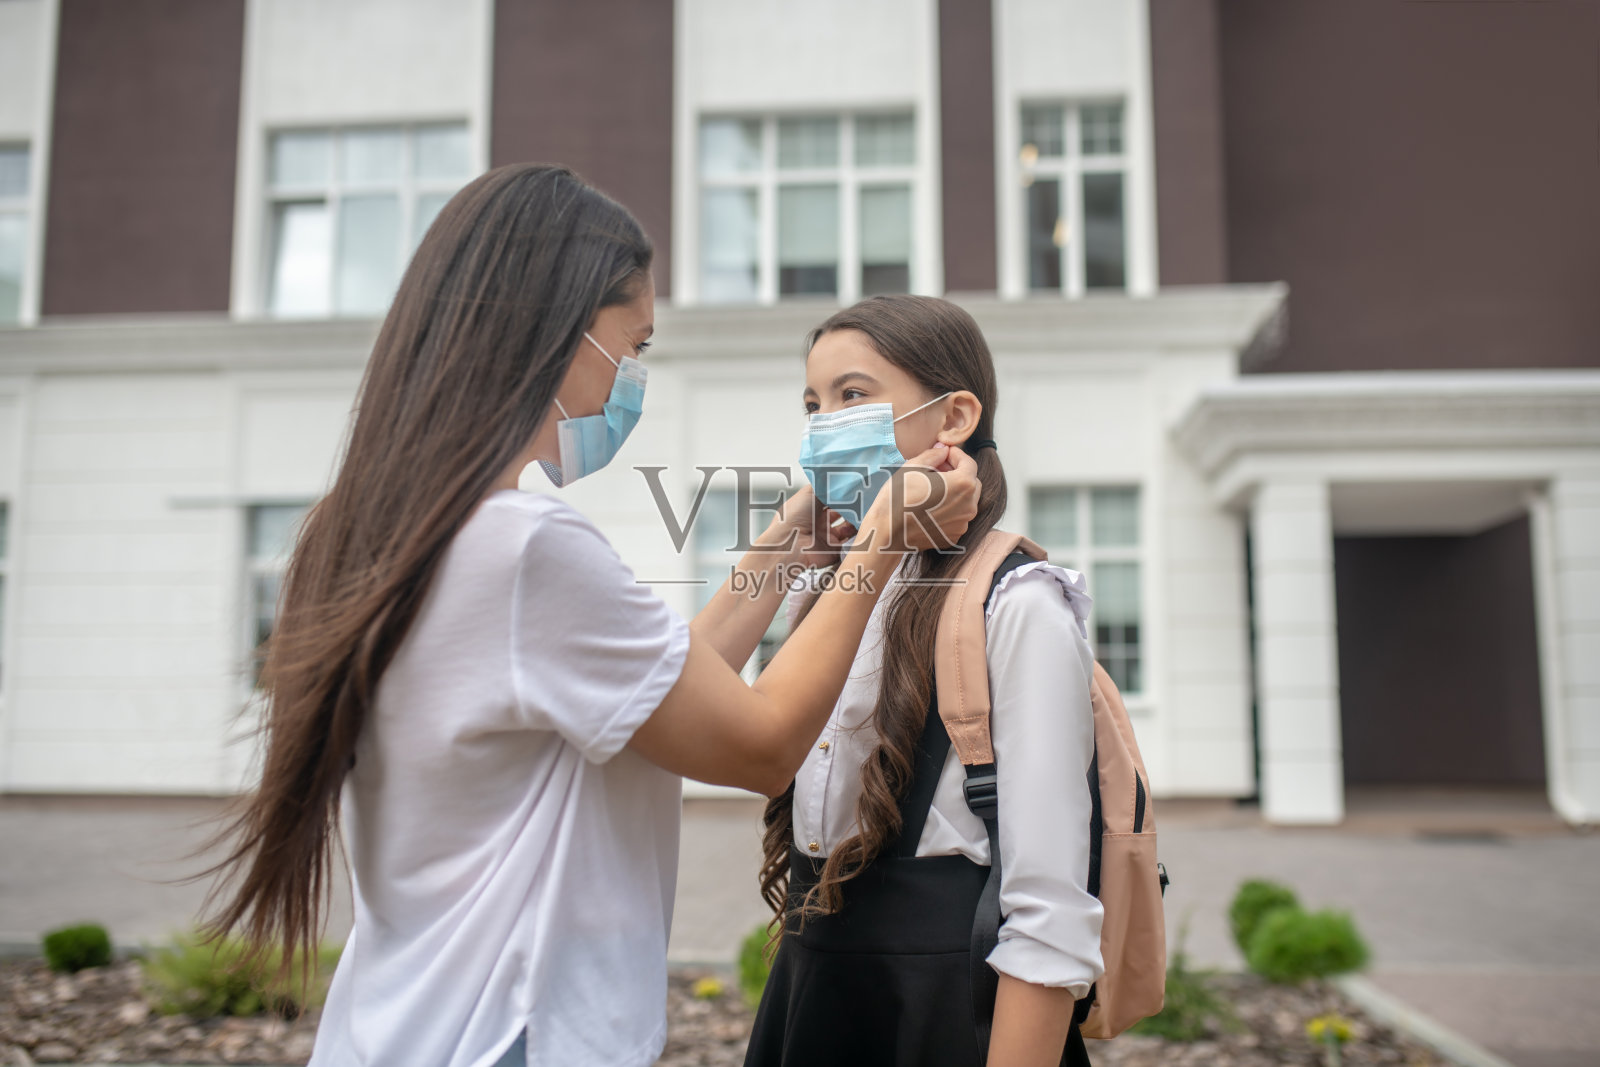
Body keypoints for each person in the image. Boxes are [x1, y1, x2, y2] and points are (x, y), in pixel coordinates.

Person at [198, 165, 980, 1067]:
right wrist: (885, 529)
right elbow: (760, 743)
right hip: (508, 1035)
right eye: (633, 344)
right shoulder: (525, 548)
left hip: (405, 1027)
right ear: (561, 333)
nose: (634, 378)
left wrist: (798, 532)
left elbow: (655, 688)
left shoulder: (387, 530)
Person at [743, 295, 1103, 1067]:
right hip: (814, 998)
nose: (823, 425)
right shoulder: (835, 588)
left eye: (853, 395)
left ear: (955, 417)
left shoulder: (1017, 601)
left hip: (942, 1011)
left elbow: (1048, 915)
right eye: (813, 404)